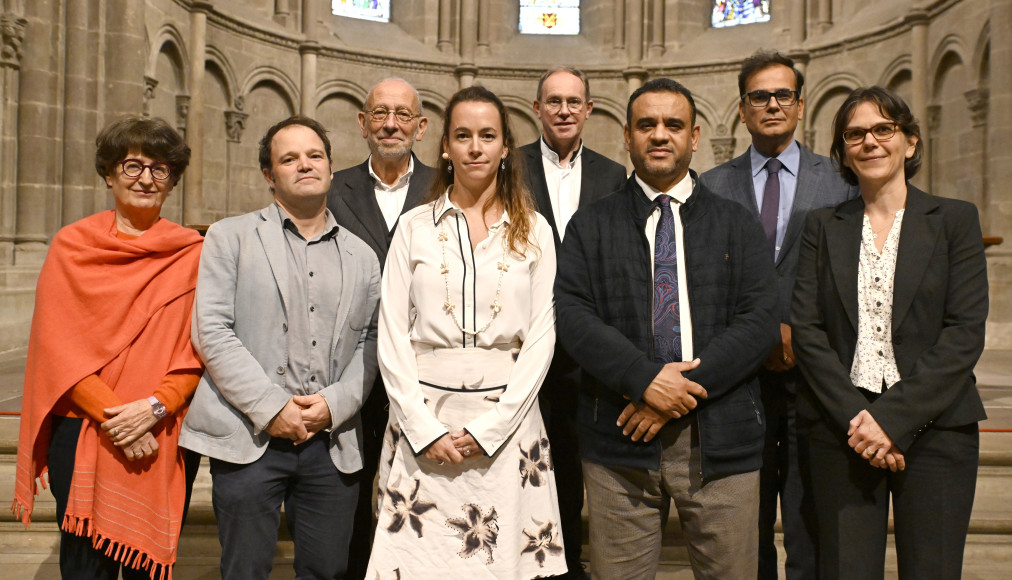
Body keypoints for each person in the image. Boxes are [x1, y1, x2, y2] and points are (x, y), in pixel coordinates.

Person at [554, 78, 778, 579]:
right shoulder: (590, 225)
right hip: (620, 435)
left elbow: (760, 319)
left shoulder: (736, 223)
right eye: (646, 125)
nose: (660, 135)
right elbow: (572, 315)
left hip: (721, 437)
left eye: (673, 125)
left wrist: (678, 389)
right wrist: (644, 380)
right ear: (627, 138)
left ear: (695, 136)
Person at [365, 85, 565, 578]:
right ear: (445, 148)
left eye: (487, 135)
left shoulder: (535, 229)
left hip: (509, 424)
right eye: (463, 135)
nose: (475, 146)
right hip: (423, 423)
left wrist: (489, 429)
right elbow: (390, 335)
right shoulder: (413, 227)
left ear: (504, 149)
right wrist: (422, 428)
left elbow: (541, 338)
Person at [791, 86, 988, 580]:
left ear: (911, 142)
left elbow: (964, 333)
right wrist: (861, 420)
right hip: (845, 431)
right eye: (854, 134)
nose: (870, 142)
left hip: (938, 427)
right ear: (842, 153)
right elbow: (808, 332)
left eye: (884, 129)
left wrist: (892, 421)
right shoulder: (821, 226)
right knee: (846, 570)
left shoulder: (954, 220)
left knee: (933, 569)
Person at [179, 116, 381, 579]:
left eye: (315, 156)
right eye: (289, 158)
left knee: (327, 571)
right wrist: (272, 408)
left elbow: (371, 341)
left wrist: (333, 404)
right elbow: (211, 330)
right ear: (270, 175)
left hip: (330, 440)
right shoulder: (229, 238)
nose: (304, 165)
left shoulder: (363, 257)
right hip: (249, 435)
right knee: (245, 570)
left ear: (331, 169)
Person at [13, 116, 203, 579]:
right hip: (84, 429)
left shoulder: (192, 253)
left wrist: (155, 409)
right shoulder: (71, 247)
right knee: (84, 570)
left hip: (161, 430)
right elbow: (57, 349)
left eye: (159, 168)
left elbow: (199, 347)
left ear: (172, 180)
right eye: (132, 165)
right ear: (109, 173)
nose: (145, 178)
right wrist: (123, 420)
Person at [698, 50, 857, 579]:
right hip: (740, 377)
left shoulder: (840, 181)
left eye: (782, 95)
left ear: (800, 104)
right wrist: (759, 336)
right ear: (742, 110)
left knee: (812, 515)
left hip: (819, 373)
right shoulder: (711, 187)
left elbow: (853, 279)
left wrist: (799, 335)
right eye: (758, 96)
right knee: (747, 518)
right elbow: (705, 285)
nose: (771, 105)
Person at [519, 67, 627, 579]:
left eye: (574, 102)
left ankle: (570, 562)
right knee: (525, 457)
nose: (564, 110)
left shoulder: (611, 175)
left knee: (578, 455)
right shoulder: (509, 167)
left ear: (589, 109)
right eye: (554, 101)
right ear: (537, 108)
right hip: (521, 340)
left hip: (588, 345)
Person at [327, 78, 435, 579]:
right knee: (353, 485)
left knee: (423, 493)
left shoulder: (445, 187)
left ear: (421, 125)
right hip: (353, 365)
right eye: (379, 113)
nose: (391, 124)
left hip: (426, 366)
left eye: (402, 115)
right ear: (362, 122)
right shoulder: (331, 187)